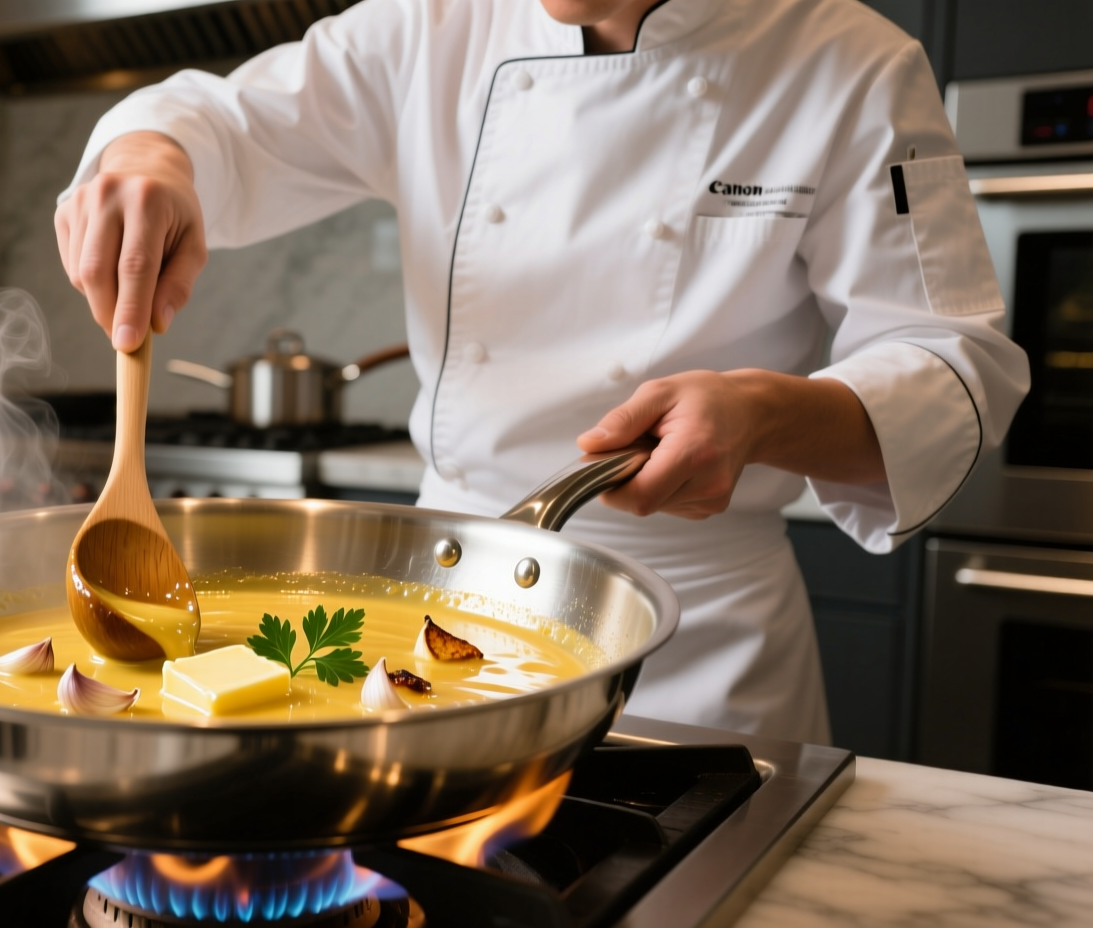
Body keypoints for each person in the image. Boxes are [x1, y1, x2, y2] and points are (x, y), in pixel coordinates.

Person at [52, 0, 1029, 743]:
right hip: (433, 622)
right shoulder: (427, 29)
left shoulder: (843, 59)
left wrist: (762, 412)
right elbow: (222, 119)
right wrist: (152, 155)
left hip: (693, 646)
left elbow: (954, 366)